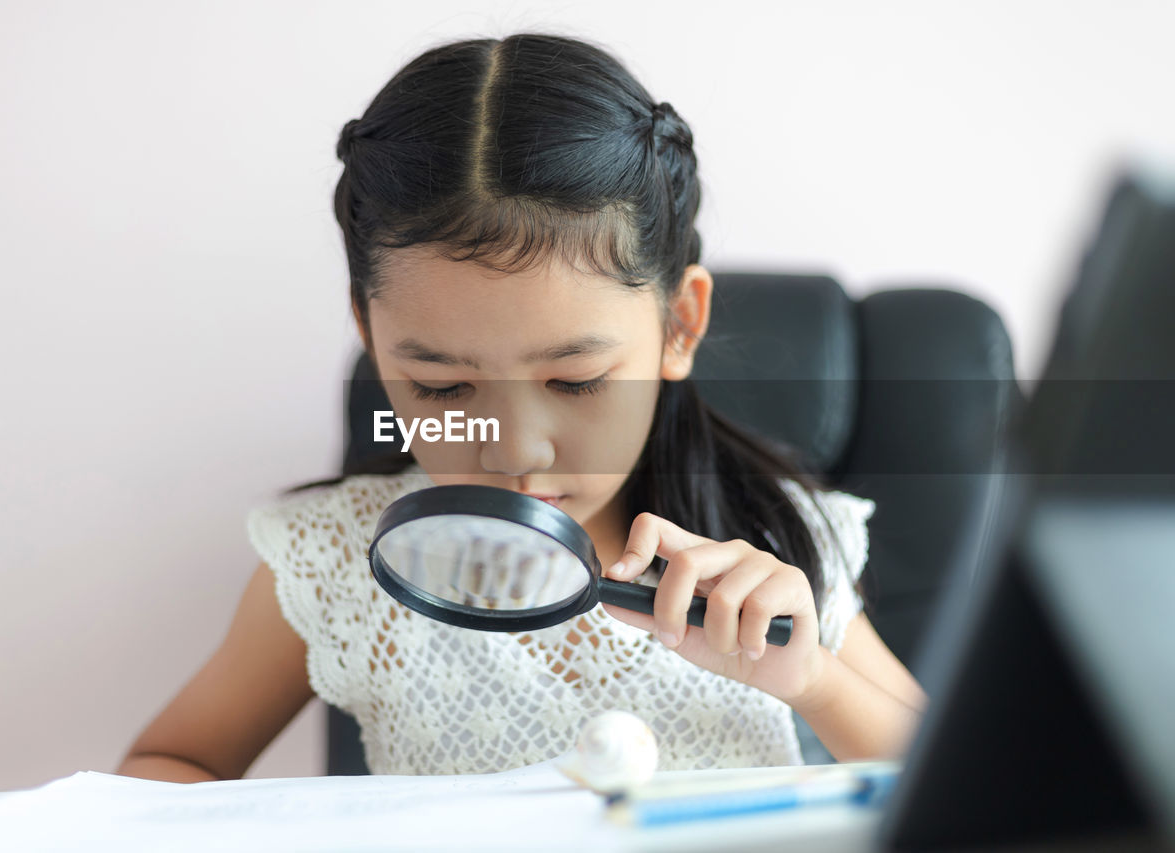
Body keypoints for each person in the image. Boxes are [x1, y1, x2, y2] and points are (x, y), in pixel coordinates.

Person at [116, 32, 927, 783]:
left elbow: (956, 783)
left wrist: (814, 679)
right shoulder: (334, 558)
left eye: (574, 382)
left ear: (678, 325)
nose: (515, 450)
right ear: (369, 332)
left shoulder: (775, 537)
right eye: (440, 387)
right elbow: (172, 759)